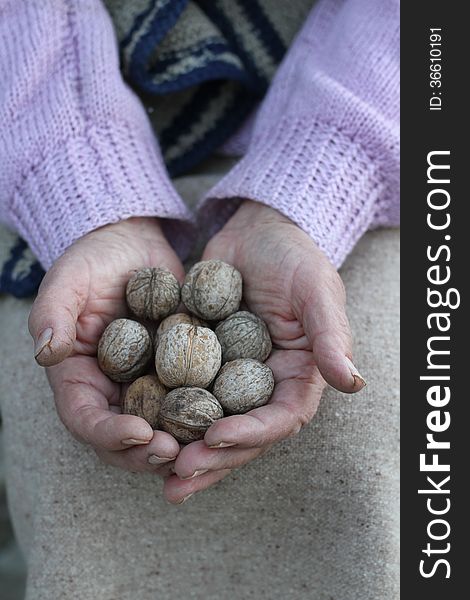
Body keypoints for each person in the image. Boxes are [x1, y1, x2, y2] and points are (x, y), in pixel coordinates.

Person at [0, 1, 399, 597]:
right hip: (58, 146)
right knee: (68, 452)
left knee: (359, 434)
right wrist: (88, 200)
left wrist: (314, 179)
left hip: (358, 137)